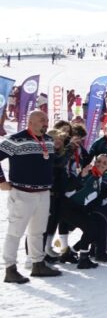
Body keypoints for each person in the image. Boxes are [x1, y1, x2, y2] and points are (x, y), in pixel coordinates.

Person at [1, 110, 61, 283]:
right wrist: (1, 181)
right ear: (31, 122)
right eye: (42, 120)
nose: (46, 122)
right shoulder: (16, 139)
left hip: (43, 193)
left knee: (38, 232)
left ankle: (38, 264)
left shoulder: (48, 140)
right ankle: (10, 268)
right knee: (15, 232)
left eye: (47, 120)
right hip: (22, 194)